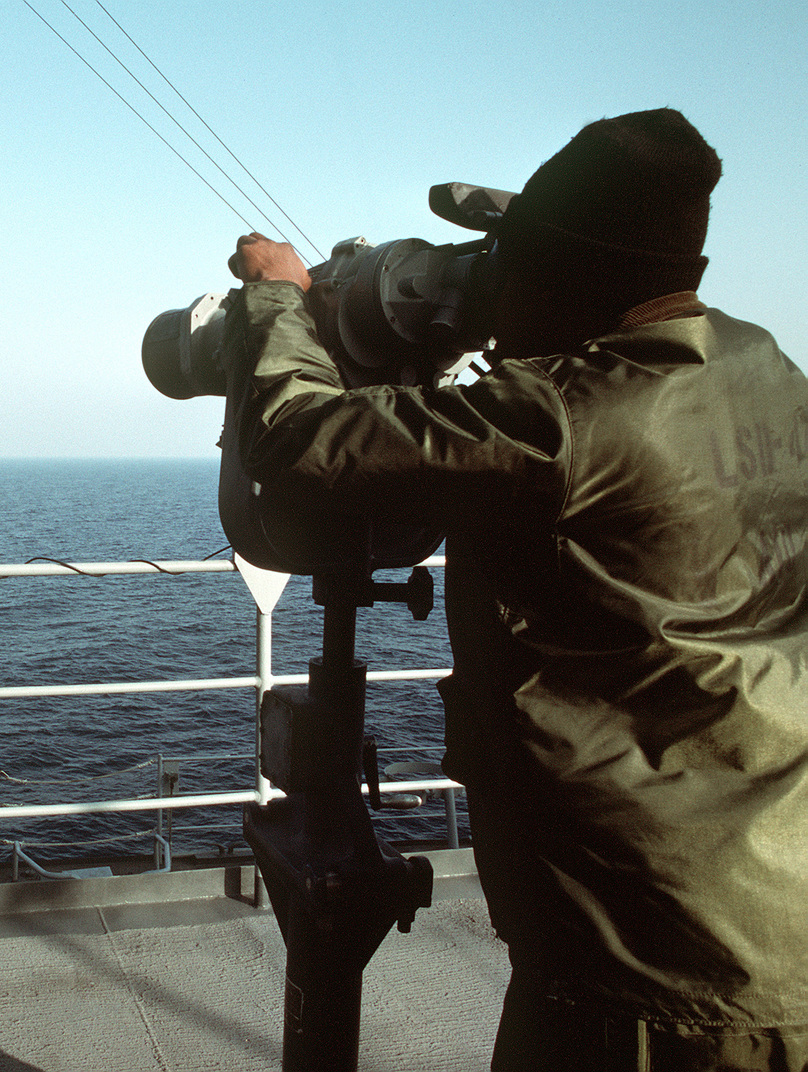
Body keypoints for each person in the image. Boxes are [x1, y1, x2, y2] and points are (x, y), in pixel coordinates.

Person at [220, 109, 808, 1070]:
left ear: (571, 276)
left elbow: (300, 448)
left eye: (514, 267)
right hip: (778, 914)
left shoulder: (566, 418)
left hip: (646, 972)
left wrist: (278, 300)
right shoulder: (771, 371)